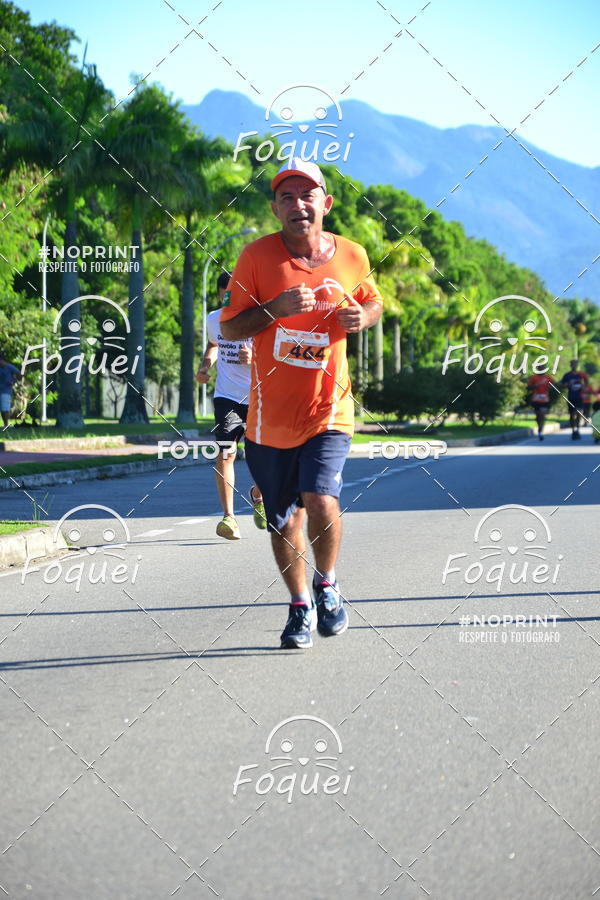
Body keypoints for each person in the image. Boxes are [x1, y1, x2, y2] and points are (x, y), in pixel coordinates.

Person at [220, 158, 383, 649]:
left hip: (329, 408)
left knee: (321, 498)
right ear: (275, 209)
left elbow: (373, 301)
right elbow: (229, 327)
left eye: (307, 195)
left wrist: (363, 317)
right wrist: (274, 310)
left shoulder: (353, 255)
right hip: (269, 418)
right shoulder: (255, 258)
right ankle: (298, 606)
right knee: (283, 516)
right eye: (287, 198)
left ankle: (327, 584)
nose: (298, 205)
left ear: (325, 204)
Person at [196, 272, 266, 540]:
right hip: (227, 396)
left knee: (263, 459)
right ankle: (229, 518)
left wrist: (254, 358)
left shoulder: (259, 320)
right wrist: (205, 366)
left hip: (260, 397)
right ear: (219, 294)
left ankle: (257, 496)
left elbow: (278, 356)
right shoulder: (214, 319)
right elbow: (214, 344)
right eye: (225, 295)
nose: (230, 300)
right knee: (226, 453)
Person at [560, 359, 589, 440]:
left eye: (575, 364)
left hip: (580, 397)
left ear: (577, 365)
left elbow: (587, 383)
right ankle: (573, 430)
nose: (574, 366)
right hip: (571, 397)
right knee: (572, 415)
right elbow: (562, 385)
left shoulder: (582, 374)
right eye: (572, 364)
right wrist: (568, 385)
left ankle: (578, 430)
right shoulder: (567, 375)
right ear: (570, 365)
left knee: (579, 413)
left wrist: (583, 386)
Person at [527, 372, 554, 441]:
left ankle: (540, 431)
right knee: (538, 415)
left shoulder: (548, 377)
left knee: (542, 414)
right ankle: (539, 426)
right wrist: (535, 386)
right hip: (536, 398)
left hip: (545, 398)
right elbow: (528, 387)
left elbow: (553, 386)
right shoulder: (533, 377)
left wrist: (549, 387)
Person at [0, 353, 20, 427]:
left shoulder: (9, 367)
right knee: (2, 409)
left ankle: (6, 424)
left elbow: (19, 374)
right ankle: (5, 424)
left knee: (5, 408)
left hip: (6, 390)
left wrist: (14, 381)